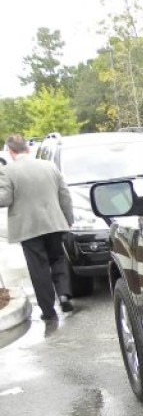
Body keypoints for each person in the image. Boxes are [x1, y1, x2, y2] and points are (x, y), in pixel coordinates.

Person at [0, 133, 75, 320]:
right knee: (58, 258)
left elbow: (5, 198)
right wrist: (68, 219)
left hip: (28, 228)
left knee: (38, 267)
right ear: (27, 148)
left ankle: (48, 310)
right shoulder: (49, 166)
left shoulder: (8, 171)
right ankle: (64, 294)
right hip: (54, 223)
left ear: (10, 151)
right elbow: (64, 195)